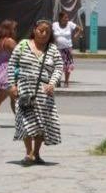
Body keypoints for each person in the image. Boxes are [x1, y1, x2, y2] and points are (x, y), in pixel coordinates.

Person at [7, 20, 64, 166]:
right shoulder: (23, 45)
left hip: (44, 94)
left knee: (42, 124)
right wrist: (12, 85)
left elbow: (58, 67)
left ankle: (36, 153)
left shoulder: (52, 49)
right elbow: (12, 64)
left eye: (47, 31)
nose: (43, 33)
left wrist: (52, 83)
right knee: (26, 122)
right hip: (25, 91)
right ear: (34, 30)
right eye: (41, 30)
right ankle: (28, 153)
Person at [52, 11, 83, 88]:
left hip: (67, 48)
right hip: (57, 49)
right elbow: (50, 32)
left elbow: (80, 29)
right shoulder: (55, 25)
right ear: (60, 18)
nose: (67, 19)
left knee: (67, 66)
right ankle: (57, 81)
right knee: (57, 65)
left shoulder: (70, 24)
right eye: (65, 17)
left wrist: (76, 35)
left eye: (67, 17)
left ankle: (66, 82)